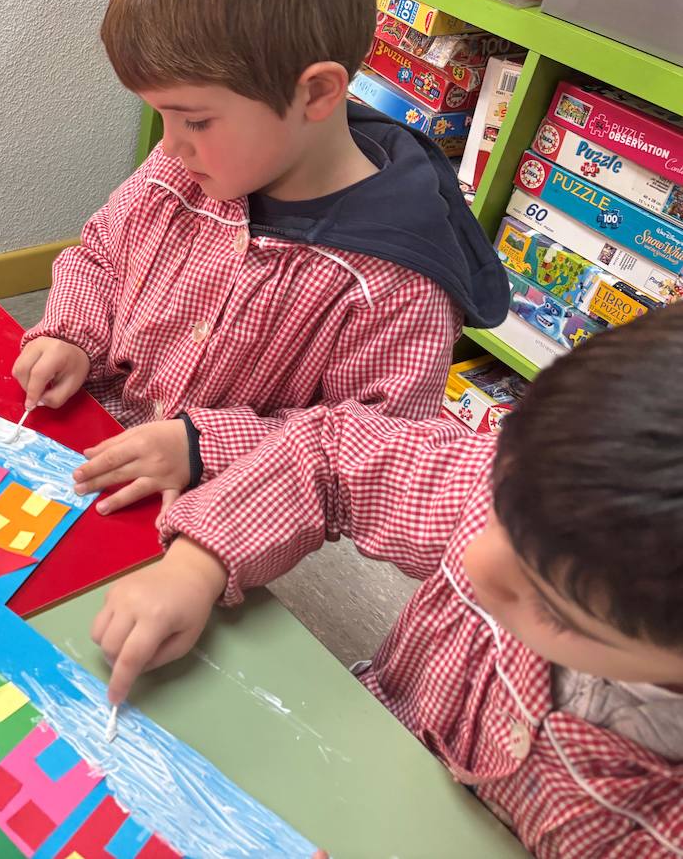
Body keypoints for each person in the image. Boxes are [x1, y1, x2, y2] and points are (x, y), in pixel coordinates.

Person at [97, 303, 683, 855]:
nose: (476, 561)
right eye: (501, 493)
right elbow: (329, 453)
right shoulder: (542, 490)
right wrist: (197, 564)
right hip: (341, 751)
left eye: (552, 607)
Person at [14, 0, 506, 516]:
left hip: (220, 522)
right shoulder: (186, 166)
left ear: (317, 93)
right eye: (162, 114)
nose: (171, 143)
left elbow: (368, 461)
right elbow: (103, 254)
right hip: (91, 459)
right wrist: (72, 333)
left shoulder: (395, 284)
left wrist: (200, 446)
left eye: (194, 118)